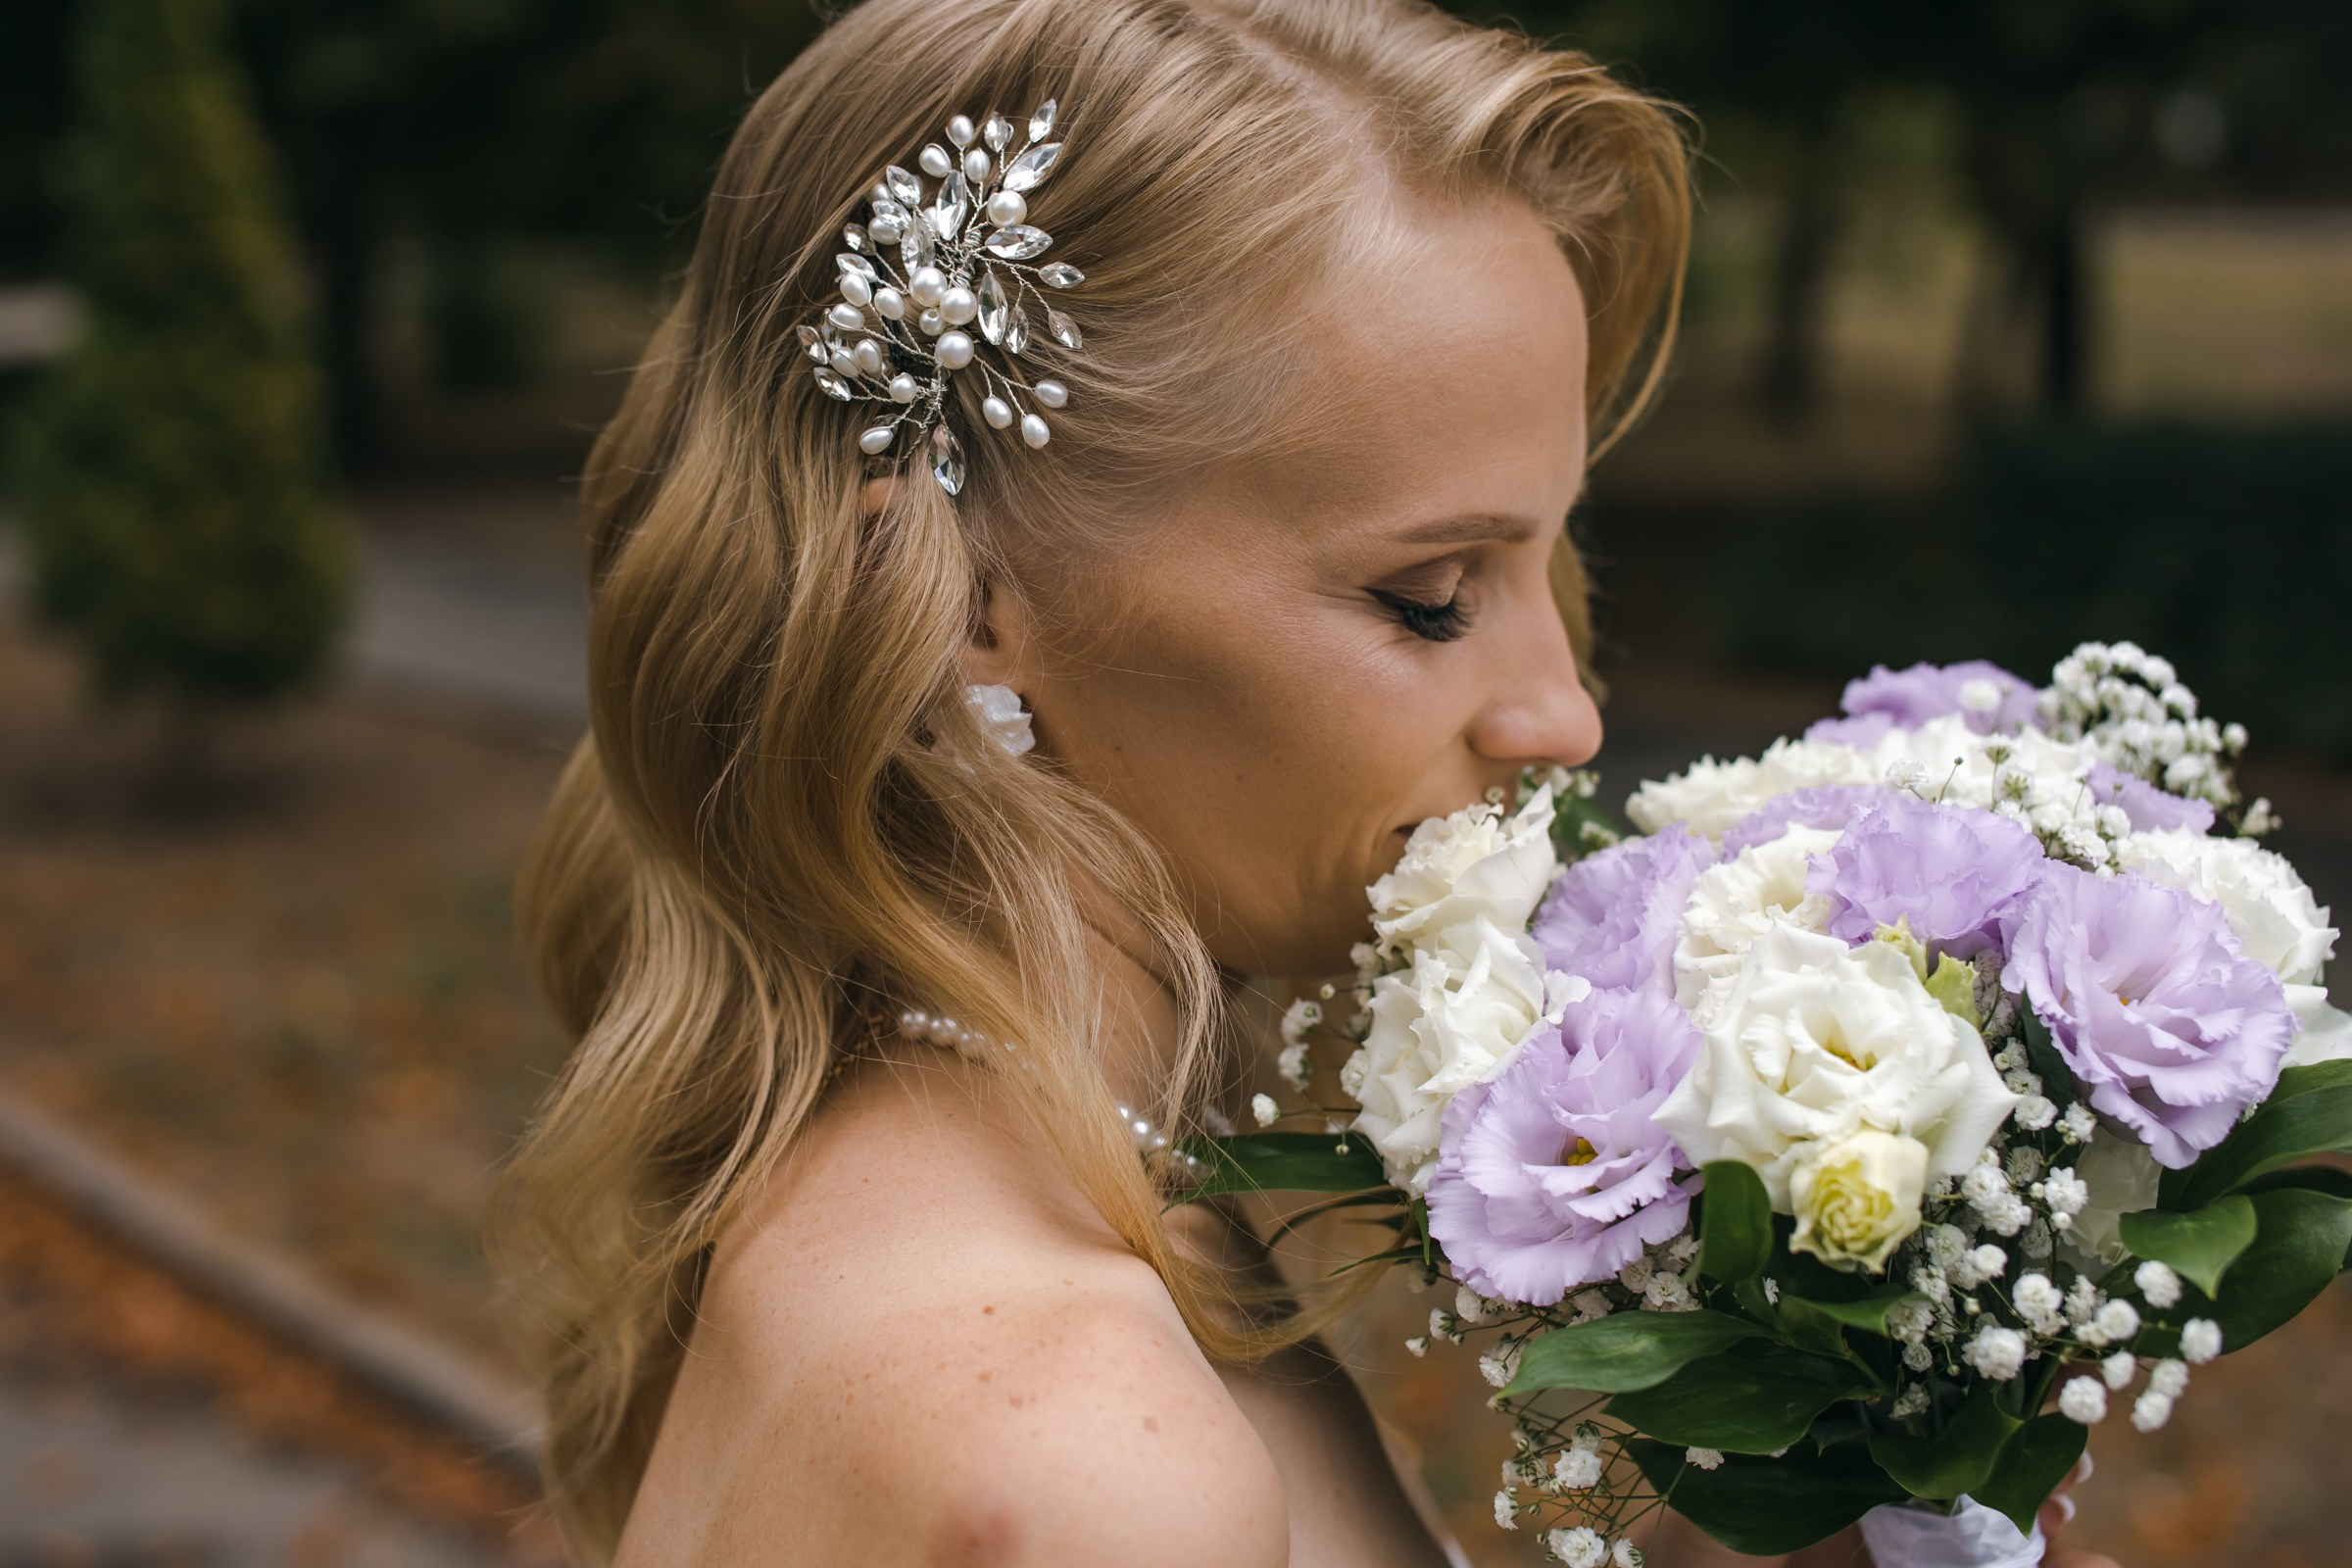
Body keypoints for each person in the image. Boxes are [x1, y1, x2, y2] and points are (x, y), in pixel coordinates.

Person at [491, 2, 2126, 1564]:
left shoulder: (956, 1201)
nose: (1561, 711)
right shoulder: (1080, 1461)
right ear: (962, 597)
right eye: (1429, 593)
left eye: (1553, 560)